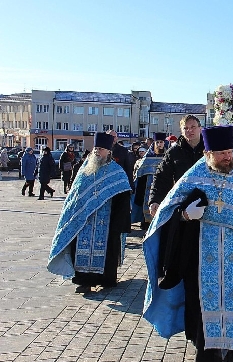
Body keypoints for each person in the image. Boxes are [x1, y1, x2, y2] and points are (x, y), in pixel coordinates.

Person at [142, 126, 233, 362]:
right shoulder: (195, 175)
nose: (227, 157)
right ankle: (208, 351)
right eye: (221, 153)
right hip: (201, 252)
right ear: (208, 154)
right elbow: (169, 212)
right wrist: (185, 215)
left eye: (229, 151)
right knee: (203, 298)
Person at [47, 132, 132, 292]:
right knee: (81, 249)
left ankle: (106, 280)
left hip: (107, 222)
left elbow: (123, 199)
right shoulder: (84, 169)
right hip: (83, 220)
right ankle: (83, 281)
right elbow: (74, 193)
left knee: (106, 250)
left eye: (101, 149)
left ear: (108, 151)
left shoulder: (117, 172)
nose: (97, 152)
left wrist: (118, 224)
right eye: (96, 148)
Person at [149, 115, 205, 218]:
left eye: (193, 127)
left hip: (207, 201)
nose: (189, 130)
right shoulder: (174, 152)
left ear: (200, 128)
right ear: (181, 131)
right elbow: (162, 177)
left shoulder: (209, 150)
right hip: (182, 202)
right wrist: (155, 200)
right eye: (185, 128)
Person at [133, 133, 166, 230]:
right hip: (147, 185)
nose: (159, 144)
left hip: (163, 186)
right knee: (146, 203)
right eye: (157, 142)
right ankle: (145, 222)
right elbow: (139, 173)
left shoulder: (168, 156)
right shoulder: (148, 157)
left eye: (161, 142)